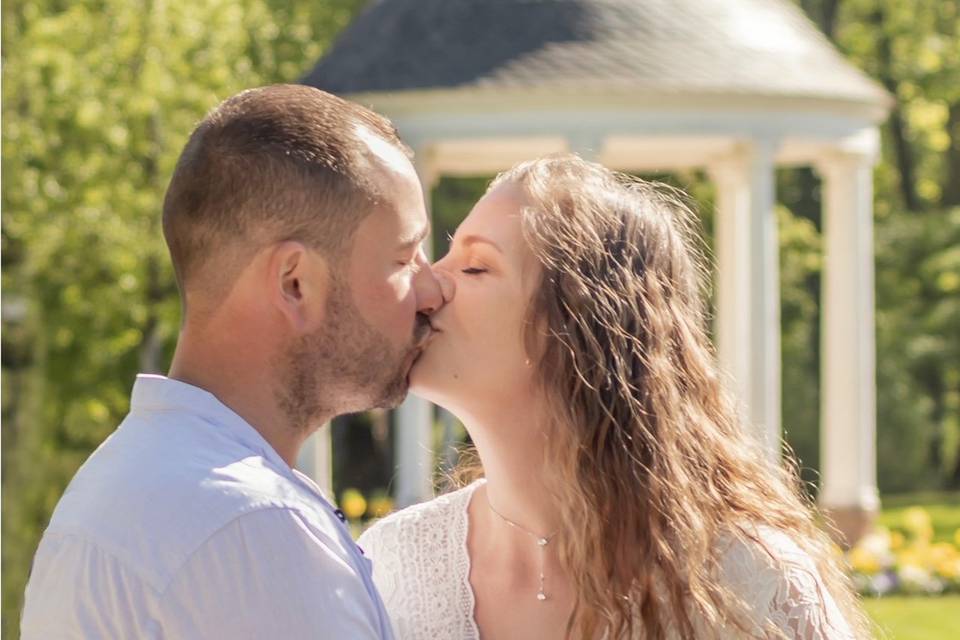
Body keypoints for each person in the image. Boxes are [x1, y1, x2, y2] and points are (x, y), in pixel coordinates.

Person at [359, 154, 870, 639]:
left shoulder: (751, 582)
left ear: (580, 328)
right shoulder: (394, 564)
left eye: (475, 267)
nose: (426, 283)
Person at [21, 84, 449, 639]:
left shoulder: (129, 480)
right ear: (295, 283)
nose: (432, 287)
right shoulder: (248, 527)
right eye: (403, 257)